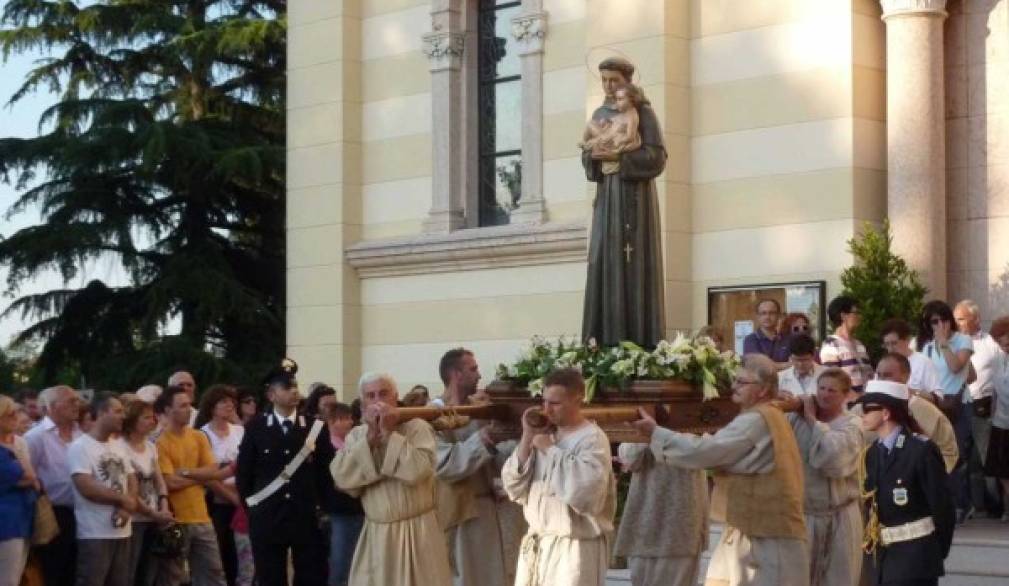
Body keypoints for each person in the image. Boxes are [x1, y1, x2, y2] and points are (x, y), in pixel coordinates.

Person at [632, 354, 809, 586]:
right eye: (734, 380)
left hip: (766, 534)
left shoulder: (756, 419)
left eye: (742, 382)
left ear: (763, 390)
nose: (733, 386)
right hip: (758, 527)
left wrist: (657, 433)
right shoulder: (769, 413)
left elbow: (707, 451)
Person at [329, 372, 452, 585]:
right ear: (362, 405)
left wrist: (388, 435)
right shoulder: (357, 436)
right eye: (370, 395)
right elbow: (343, 479)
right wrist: (369, 441)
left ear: (395, 398)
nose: (378, 401)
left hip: (418, 532)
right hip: (376, 535)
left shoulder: (418, 427)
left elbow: (417, 471)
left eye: (383, 394)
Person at [581, 56, 666, 349]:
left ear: (627, 81)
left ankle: (639, 343)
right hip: (606, 203)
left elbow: (656, 157)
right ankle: (600, 342)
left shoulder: (643, 113)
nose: (607, 85)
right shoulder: (600, 112)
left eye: (613, 80)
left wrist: (620, 157)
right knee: (603, 260)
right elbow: (588, 159)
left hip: (634, 202)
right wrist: (592, 156)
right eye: (603, 80)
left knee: (633, 265)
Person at [502, 368, 616, 586]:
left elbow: (586, 493)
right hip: (539, 543)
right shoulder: (544, 434)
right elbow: (513, 486)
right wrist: (528, 436)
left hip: (573, 550)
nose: (547, 410)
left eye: (555, 403)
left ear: (577, 399)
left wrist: (551, 451)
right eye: (544, 402)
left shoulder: (592, 439)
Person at [236, 359, 332, 586]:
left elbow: (325, 474)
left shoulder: (314, 427)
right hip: (268, 516)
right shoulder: (256, 428)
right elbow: (244, 476)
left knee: (310, 576)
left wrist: (322, 508)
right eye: (287, 387)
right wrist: (255, 509)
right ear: (271, 395)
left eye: (296, 386)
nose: (294, 391)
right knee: (271, 577)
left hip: (306, 516)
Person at [857, 380, 954, 586]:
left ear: (886, 413)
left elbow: (942, 508)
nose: (861, 415)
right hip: (885, 560)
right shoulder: (872, 453)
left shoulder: (921, 450)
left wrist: (935, 552)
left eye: (867, 409)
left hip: (916, 559)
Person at [434, 348, 512, 586]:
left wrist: (520, 439)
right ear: (456, 374)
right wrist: (485, 438)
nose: (479, 375)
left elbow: (498, 460)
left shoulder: (480, 410)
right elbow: (445, 464)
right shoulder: (430, 414)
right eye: (473, 369)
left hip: (491, 509)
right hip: (459, 513)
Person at [786, 369, 863, 586]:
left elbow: (833, 458)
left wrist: (812, 421)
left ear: (845, 395)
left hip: (839, 517)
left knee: (838, 579)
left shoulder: (852, 425)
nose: (825, 395)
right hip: (805, 515)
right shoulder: (795, 418)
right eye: (821, 388)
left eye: (832, 390)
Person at [155, 385, 229, 586]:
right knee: (174, 576)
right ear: (168, 410)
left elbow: (213, 469)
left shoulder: (197, 436)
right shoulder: (161, 442)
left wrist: (187, 472)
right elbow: (169, 481)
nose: (189, 409)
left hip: (202, 517)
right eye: (183, 405)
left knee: (213, 573)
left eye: (190, 404)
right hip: (176, 520)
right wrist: (201, 477)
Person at [614, 429, 708, 585]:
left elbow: (705, 454)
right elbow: (630, 459)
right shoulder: (646, 417)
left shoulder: (695, 418)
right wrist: (649, 431)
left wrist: (663, 435)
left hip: (682, 529)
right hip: (645, 525)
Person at [68, 392, 137, 586]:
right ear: (101, 413)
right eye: (118, 411)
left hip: (123, 529)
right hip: (95, 532)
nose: (123, 416)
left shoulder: (119, 446)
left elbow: (131, 478)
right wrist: (123, 500)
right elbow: (86, 487)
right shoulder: (80, 447)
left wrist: (126, 507)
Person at [918, 299, 974, 523]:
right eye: (934, 321)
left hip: (959, 404)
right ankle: (946, 502)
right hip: (936, 404)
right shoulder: (926, 346)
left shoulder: (963, 340)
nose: (940, 325)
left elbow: (956, 366)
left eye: (943, 319)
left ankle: (961, 503)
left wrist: (943, 343)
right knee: (936, 453)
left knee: (956, 452)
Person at [25, 385, 82, 586]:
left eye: (77, 400)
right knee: (53, 570)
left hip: (82, 511)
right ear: (50, 407)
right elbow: (27, 475)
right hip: (54, 513)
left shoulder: (80, 434)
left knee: (74, 570)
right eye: (71, 401)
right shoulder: (35, 437)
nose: (77, 405)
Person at [871, 353, 959, 474]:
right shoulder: (868, 409)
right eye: (879, 375)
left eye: (887, 375)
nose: (881, 381)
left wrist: (929, 477)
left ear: (906, 376)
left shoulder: (925, 410)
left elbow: (948, 451)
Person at [954, 299, 1003, 514]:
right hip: (959, 406)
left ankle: (994, 505)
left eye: (962, 319)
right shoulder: (952, 344)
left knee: (985, 458)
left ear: (976, 319)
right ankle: (973, 505)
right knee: (963, 459)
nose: (958, 324)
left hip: (984, 406)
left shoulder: (991, 344)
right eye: (955, 320)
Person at [119, 400, 173, 586]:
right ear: (133, 421)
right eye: (147, 417)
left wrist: (163, 504)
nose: (153, 420)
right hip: (135, 518)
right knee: (131, 569)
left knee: (150, 570)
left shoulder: (150, 446)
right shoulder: (121, 447)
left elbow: (159, 479)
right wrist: (153, 513)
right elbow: (128, 486)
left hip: (154, 515)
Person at [197, 385, 245, 586]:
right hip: (217, 499)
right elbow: (206, 474)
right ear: (211, 406)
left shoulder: (240, 431)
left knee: (239, 554)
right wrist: (230, 496)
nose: (229, 405)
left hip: (240, 497)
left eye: (230, 401)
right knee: (219, 551)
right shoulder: (202, 434)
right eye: (223, 401)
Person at [320, 402, 364, 586]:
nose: (350, 422)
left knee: (355, 560)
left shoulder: (351, 444)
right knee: (341, 561)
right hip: (340, 510)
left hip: (356, 509)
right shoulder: (327, 447)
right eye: (346, 418)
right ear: (333, 421)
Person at [0, 395, 38, 586]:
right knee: (8, 580)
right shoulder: (4, 451)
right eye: (11, 413)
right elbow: (30, 477)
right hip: (7, 523)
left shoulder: (12, 445)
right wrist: (14, 449)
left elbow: (31, 480)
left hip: (19, 519)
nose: (16, 417)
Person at [820, 295, 871, 397]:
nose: (859, 317)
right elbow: (833, 381)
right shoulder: (831, 346)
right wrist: (857, 400)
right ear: (843, 316)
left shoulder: (859, 344)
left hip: (867, 400)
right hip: (848, 404)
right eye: (856, 313)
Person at [879, 319, 943, 401]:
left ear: (907, 340)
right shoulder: (884, 364)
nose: (890, 349)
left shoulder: (923, 362)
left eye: (894, 343)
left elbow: (938, 397)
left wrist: (912, 392)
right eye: (887, 344)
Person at [580, 83, 643, 166]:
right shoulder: (623, 112)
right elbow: (615, 121)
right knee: (591, 124)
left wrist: (618, 141)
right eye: (616, 99)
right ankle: (586, 144)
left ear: (631, 100)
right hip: (607, 134)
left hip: (612, 140)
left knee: (593, 138)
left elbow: (630, 136)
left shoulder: (632, 115)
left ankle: (587, 144)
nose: (617, 103)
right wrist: (606, 122)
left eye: (620, 99)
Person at [984, 316, 1009, 521]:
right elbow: (995, 390)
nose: (1004, 345)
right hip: (1001, 420)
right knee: (1001, 469)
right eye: (1000, 341)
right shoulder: (999, 358)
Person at [743, 299, 791, 368]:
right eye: (763, 313)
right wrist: (786, 365)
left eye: (771, 313)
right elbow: (758, 365)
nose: (767, 317)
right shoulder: (750, 340)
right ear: (758, 317)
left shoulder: (787, 339)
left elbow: (795, 362)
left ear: (778, 315)